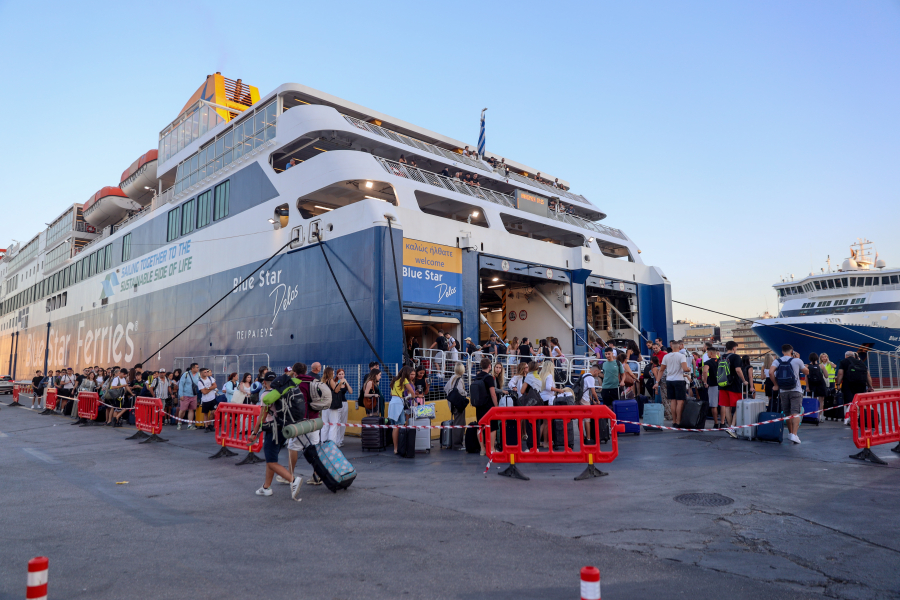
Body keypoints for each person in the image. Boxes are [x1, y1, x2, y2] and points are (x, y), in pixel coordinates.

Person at [248, 371, 303, 499]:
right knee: (271, 458)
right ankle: (266, 487)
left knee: (271, 461)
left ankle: (293, 480)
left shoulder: (267, 396)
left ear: (264, 383)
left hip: (272, 431)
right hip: (283, 428)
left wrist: (254, 433)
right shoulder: (282, 392)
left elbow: (262, 416)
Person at [770, 345, 809, 444]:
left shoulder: (777, 361)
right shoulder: (797, 360)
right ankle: (794, 435)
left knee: (787, 414)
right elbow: (806, 372)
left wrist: (775, 385)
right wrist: (799, 360)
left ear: (782, 352)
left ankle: (790, 433)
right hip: (796, 390)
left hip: (783, 391)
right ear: (792, 351)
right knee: (795, 412)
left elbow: (771, 372)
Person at [718, 341, 748, 437]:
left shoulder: (721, 357)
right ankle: (732, 427)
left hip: (722, 384)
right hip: (734, 384)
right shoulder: (735, 357)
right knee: (738, 406)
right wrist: (744, 380)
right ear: (734, 348)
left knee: (727, 407)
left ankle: (731, 429)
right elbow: (738, 370)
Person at [835, 350, 874, 425]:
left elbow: (840, 373)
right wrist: (870, 386)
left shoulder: (844, 362)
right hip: (861, 384)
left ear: (846, 356)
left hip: (848, 384)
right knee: (859, 402)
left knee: (849, 402)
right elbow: (868, 375)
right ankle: (861, 418)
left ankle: (852, 419)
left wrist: (838, 384)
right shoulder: (861, 362)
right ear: (853, 355)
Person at [659, 340, 689, 425]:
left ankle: (674, 420)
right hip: (679, 380)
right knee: (680, 401)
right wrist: (689, 369)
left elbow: (661, 369)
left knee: (673, 401)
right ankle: (679, 421)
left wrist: (657, 381)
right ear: (679, 347)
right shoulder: (682, 356)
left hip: (669, 380)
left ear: (671, 347)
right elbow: (685, 368)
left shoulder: (666, 356)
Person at [473, 357, 499, 455]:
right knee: (493, 426)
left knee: (480, 426)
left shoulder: (477, 376)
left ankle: (482, 449)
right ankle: (492, 448)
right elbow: (493, 393)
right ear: (489, 366)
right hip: (488, 406)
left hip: (479, 405)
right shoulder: (488, 377)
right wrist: (496, 406)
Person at [389, 366, 416, 454]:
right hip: (398, 403)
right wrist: (410, 397)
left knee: (395, 427)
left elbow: (391, 393)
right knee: (399, 425)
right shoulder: (404, 380)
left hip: (392, 402)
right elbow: (412, 392)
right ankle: (398, 448)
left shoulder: (394, 380)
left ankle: (395, 448)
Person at [444, 363, 468, 450]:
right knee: (460, 423)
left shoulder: (452, 378)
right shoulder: (459, 379)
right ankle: (457, 445)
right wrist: (466, 393)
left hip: (452, 404)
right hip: (458, 404)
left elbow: (446, 388)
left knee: (457, 422)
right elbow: (461, 391)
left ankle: (455, 443)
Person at [702, 348, 723, 428]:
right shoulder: (721, 361)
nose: (707, 354)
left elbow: (705, 372)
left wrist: (705, 382)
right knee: (722, 405)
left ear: (711, 353)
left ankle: (716, 423)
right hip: (722, 385)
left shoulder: (708, 362)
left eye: (707, 353)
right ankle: (723, 422)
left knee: (714, 405)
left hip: (713, 385)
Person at [177, 363, 201, 431]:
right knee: (182, 410)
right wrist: (181, 395)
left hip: (194, 395)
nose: (198, 368)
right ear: (192, 368)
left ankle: (189, 425)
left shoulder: (198, 375)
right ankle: (179, 423)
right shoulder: (186, 374)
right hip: (185, 395)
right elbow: (181, 384)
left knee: (191, 409)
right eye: (197, 367)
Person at [806, 353, 828, 423]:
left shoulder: (807, 366)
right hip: (821, 384)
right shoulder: (821, 366)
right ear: (817, 358)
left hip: (812, 385)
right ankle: (820, 416)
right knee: (821, 401)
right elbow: (826, 375)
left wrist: (807, 386)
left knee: (814, 400)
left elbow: (806, 378)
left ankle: (814, 415)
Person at [198, 368, 219, 432]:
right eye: (204, 372)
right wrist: (210, 389)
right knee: (206, 413)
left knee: (213, 412)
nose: (206, 373)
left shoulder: (210, 378)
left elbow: (215, 385)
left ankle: (210, 424)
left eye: (207, 372)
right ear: (201, 374)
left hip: (212, 398)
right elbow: (204, 392)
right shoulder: (200, 382)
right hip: (205, 399)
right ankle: (206, 426)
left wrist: (207, 388)